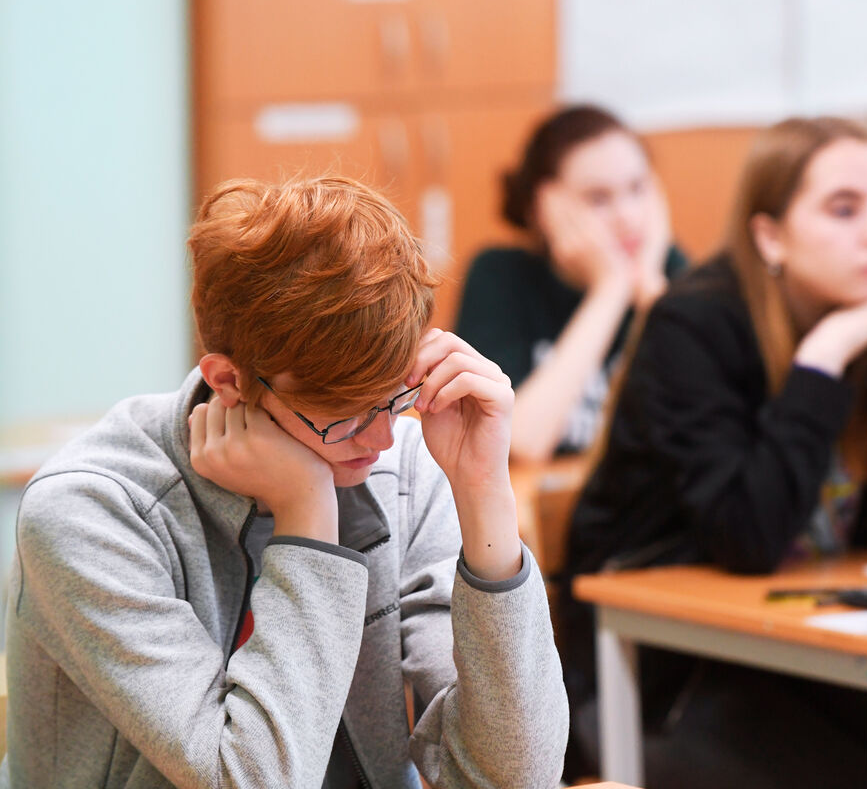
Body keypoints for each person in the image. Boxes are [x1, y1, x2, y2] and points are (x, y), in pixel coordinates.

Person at [3, 176, 568, 788]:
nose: (380, 442)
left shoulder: (404, 465)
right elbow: (252, 780)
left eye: (393, 401)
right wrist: (308, 519)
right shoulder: (89, 515)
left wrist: (484, 491)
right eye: (343, 418)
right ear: (227, 382)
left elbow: (513, 777)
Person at [561, 117, 867, 789]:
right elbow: (747, 537)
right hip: (672, 671)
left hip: (818, 646)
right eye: (844, 209)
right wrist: (824, 360)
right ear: (770, 235)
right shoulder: (694, 324)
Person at [455, 104, 687, 462]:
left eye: (638, 188)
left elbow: (703, 434)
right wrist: (609, 290)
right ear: (544, 206)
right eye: (598, 198)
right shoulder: (500, 278)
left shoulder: (667, 274)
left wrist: (652, 298)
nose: (628, 216)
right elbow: (521, 443)